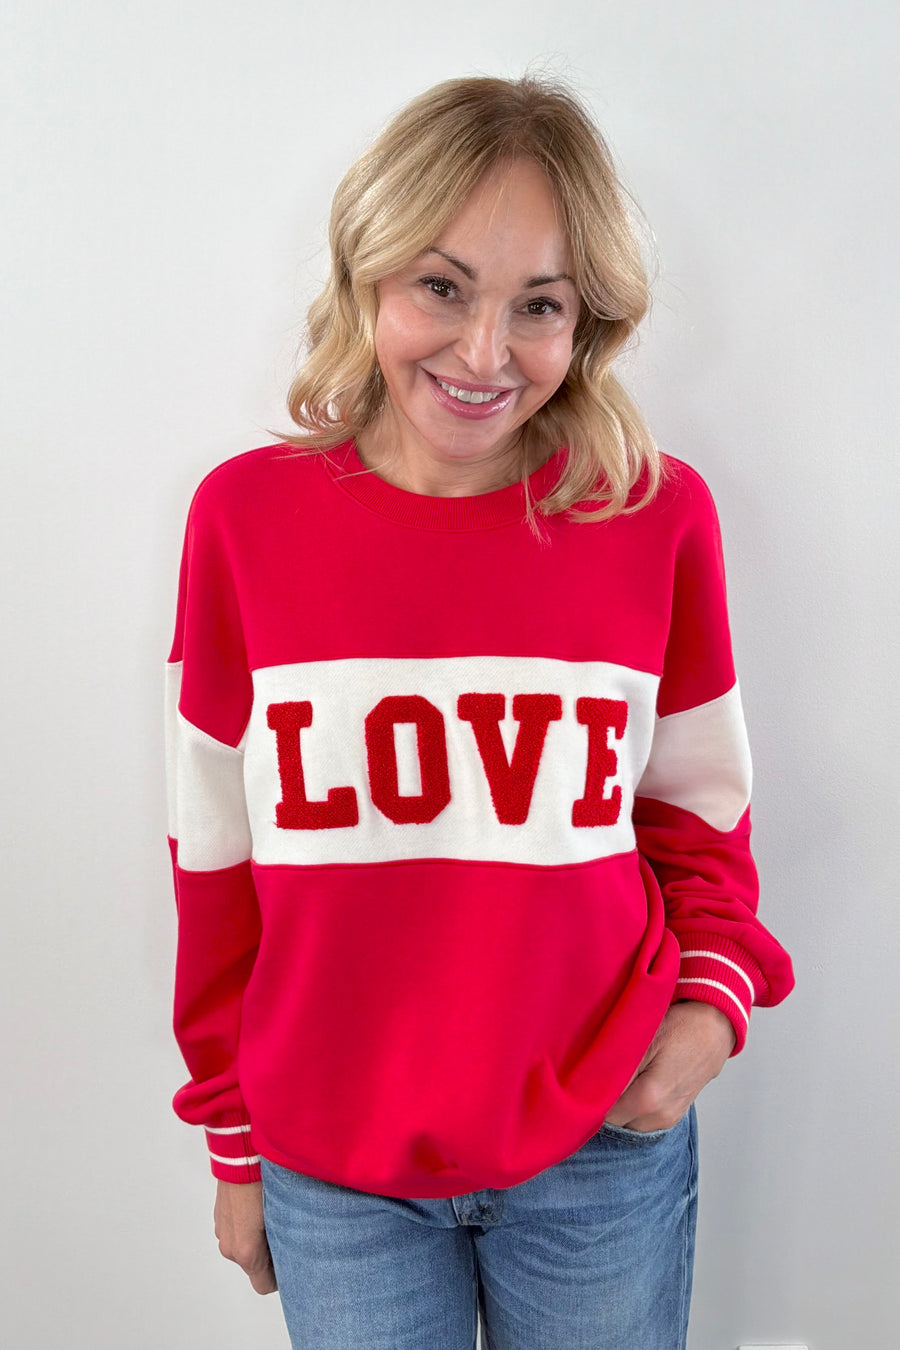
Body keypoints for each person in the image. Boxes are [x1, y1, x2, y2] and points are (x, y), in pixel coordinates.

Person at [166, 74, 795, 1350]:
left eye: (540, 307)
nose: (483, 353)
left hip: (596, 1152)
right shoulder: (245, 524)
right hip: (338, 1173)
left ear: (588, 326)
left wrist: (706, 1014)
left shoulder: (653, 520)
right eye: (441, 287)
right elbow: (213, 861)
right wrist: (235, 1141)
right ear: (368, 278)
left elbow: (696, 812)